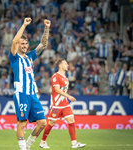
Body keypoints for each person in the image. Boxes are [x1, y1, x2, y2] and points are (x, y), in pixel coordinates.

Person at [9, 17, 50, 150]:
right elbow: (15, 40)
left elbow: (43, 45)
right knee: (21, 123)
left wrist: (47, 28)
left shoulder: (30, 57)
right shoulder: (14, 57)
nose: (24, 46)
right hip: (21, 93)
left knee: (42, 123)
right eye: (22, 44)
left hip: (33, 94)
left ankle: (27, 145)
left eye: (26, 44)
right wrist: (24, 24)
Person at [39, 59, 86, 149]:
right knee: (51, 123)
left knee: (71, 120)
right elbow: (57, 89)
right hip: (56, 105)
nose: (67, 65)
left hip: (65, 104)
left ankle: (74, 143)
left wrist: (67, 98)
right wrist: (68, 96)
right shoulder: (55, 76)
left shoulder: (65, 77)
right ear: (60, 65)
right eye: (65, 63)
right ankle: (43, 142)